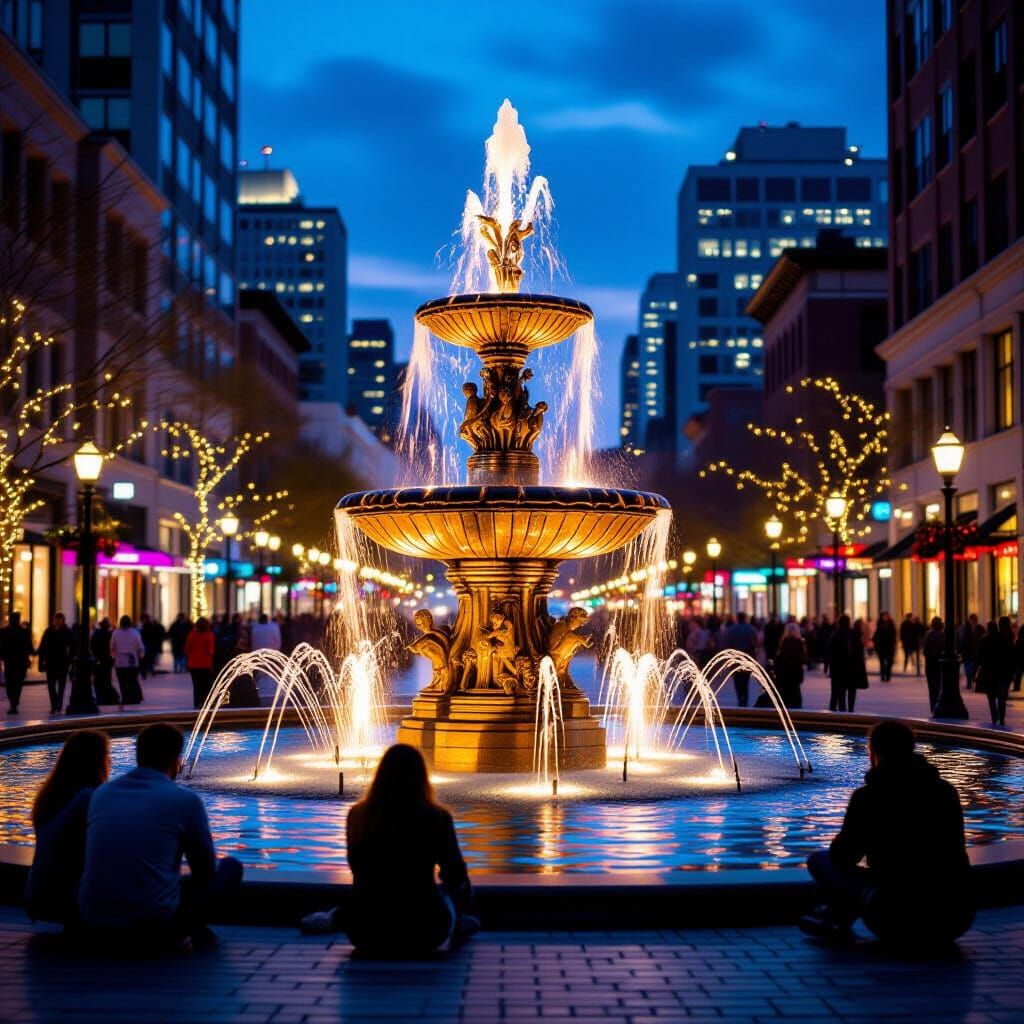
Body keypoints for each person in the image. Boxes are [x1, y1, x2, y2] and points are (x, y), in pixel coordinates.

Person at [800, 720, 974, 946]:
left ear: (874, 753)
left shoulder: (869, 796)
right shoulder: (946, 791)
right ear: (911, 748)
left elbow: (842, 856)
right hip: (955, 918)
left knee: (819, 860)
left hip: (895, 919)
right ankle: (834, 916)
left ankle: (836, 917)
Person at [78, 723, 243, 947]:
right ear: (176, 760)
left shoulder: (102, 793)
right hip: (153, 925)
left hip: (93, 918)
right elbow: (204, 870)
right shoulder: (184, 800)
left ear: (138, 755)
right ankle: (194, 929)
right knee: (231, 868)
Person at [303, 744, 477, 955]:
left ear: (380, 775)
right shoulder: (436, 817)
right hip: (426, 931)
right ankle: (460, 920)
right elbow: (455, 875)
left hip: (364, 932)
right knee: (448, 895)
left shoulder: (357, 816)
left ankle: (336, 917)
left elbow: (357, 868)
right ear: (421, 776)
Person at [26, 730, 110, 924]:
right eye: (107, 755)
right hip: (65, 903)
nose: (110, 761)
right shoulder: (88, 799)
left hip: (38, 897)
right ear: (96, 760)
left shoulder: (51, 796)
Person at [976, 618, 1013, 726]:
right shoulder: (1004, 639)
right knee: (1002, 697)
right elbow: (1009, 656)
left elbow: (979, 658)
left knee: (991, 697)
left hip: (989, 673)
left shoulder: (984, 640)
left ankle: (994, 717)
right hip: (1002, 672)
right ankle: (1001, 719)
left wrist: (977, 670)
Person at [37, 612, 74, 713]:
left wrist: (70, 660)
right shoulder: (49, 631)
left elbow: (72, 646)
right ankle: (54, 704)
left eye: (59, 620)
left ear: (63, 621)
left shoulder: (67, 631)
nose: (57, 622)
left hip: (62, 662)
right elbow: (42, 647)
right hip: (51, 662)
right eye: (56, 619)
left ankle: (58, 704)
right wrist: (41, 662)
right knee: (51, 685)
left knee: (61, 685)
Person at [723, 611, 758, 707]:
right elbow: (755, 643)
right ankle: (744, 698)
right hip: (747, 658)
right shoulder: (751, 629)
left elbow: (727, 643)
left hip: (735, 659)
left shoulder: (731, 629)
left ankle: (740, 697)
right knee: (745, 680)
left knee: (737, 679)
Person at [1, 611, 33, 714]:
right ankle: (14, 702)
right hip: (20, 661)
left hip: (9, 661)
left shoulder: (4, 631)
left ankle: (13, 703)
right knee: (18, 683)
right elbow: (29, 647)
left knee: (10, 683)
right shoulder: (24, 632)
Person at [110, 615, 145, 705]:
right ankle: (133, 698)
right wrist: (141, 656)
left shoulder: (116, 633)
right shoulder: (135, 633)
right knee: (132, 680)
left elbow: (112, 647)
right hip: (132, 661)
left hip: (120, 662)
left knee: (122, 682)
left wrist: (113, 656)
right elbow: (140, 646)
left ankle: (125, 698)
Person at [184, 617, 216, 709]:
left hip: (193, 664)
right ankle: (204, 703)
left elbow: (186, 649)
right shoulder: (210, 635)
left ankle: (196, 703)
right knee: (205, 685)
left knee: (196, 685)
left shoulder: (191, 635)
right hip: (206, 664)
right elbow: (211, 651)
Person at [773, 622, 807, 708]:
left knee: (787, 691)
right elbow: (803, 657)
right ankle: (797, 706)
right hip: (796, 671)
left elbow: (780, 656)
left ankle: (788, 706)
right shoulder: (799, 642)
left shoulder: (784, 642)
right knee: (796, 690)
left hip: (786, 671)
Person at [90, 618, 119, 704]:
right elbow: (112, 648)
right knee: (106, 680)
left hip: (98, 660)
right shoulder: (109, 634)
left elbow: (92, 646)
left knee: (98, 680)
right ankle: (109, 698)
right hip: (106, 660)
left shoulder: (96, 633)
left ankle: (101, 698)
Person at [922, 616, 945, 712]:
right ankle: (938, 705)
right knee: (939, 686)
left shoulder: (928, 634)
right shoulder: (943, 635)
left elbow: (924, 651)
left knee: (931, 688)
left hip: (930, 664)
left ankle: (933, 706)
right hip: (939, 665)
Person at [957, 614, 983, 690]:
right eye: (974, 620)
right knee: (968, 666)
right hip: (967, 651)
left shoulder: (978, 628)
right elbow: (961, 639)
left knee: (973, 666)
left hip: (973, 651)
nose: (975, 622)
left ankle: (971, 678)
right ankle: (969, 680)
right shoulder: (965, 628)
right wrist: (960, 650)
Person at [139, 613, 166, 679]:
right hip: (150, 645)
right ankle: (149, 671)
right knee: (149, 660)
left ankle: (145, 673)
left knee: (145, 660)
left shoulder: (146, 626)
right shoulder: (151, 626)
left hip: (147, 645)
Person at [873, 611, 896, 682]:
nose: (885, 617)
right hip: (881, 647)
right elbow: (876, 636)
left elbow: (894, 635)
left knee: (890, 662)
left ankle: (888, 675)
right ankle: (883, 676)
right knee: (882, 662)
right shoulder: (879, 625)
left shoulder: (891, 625)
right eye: (884, 616)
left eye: (886, 616)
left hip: (889, 646)